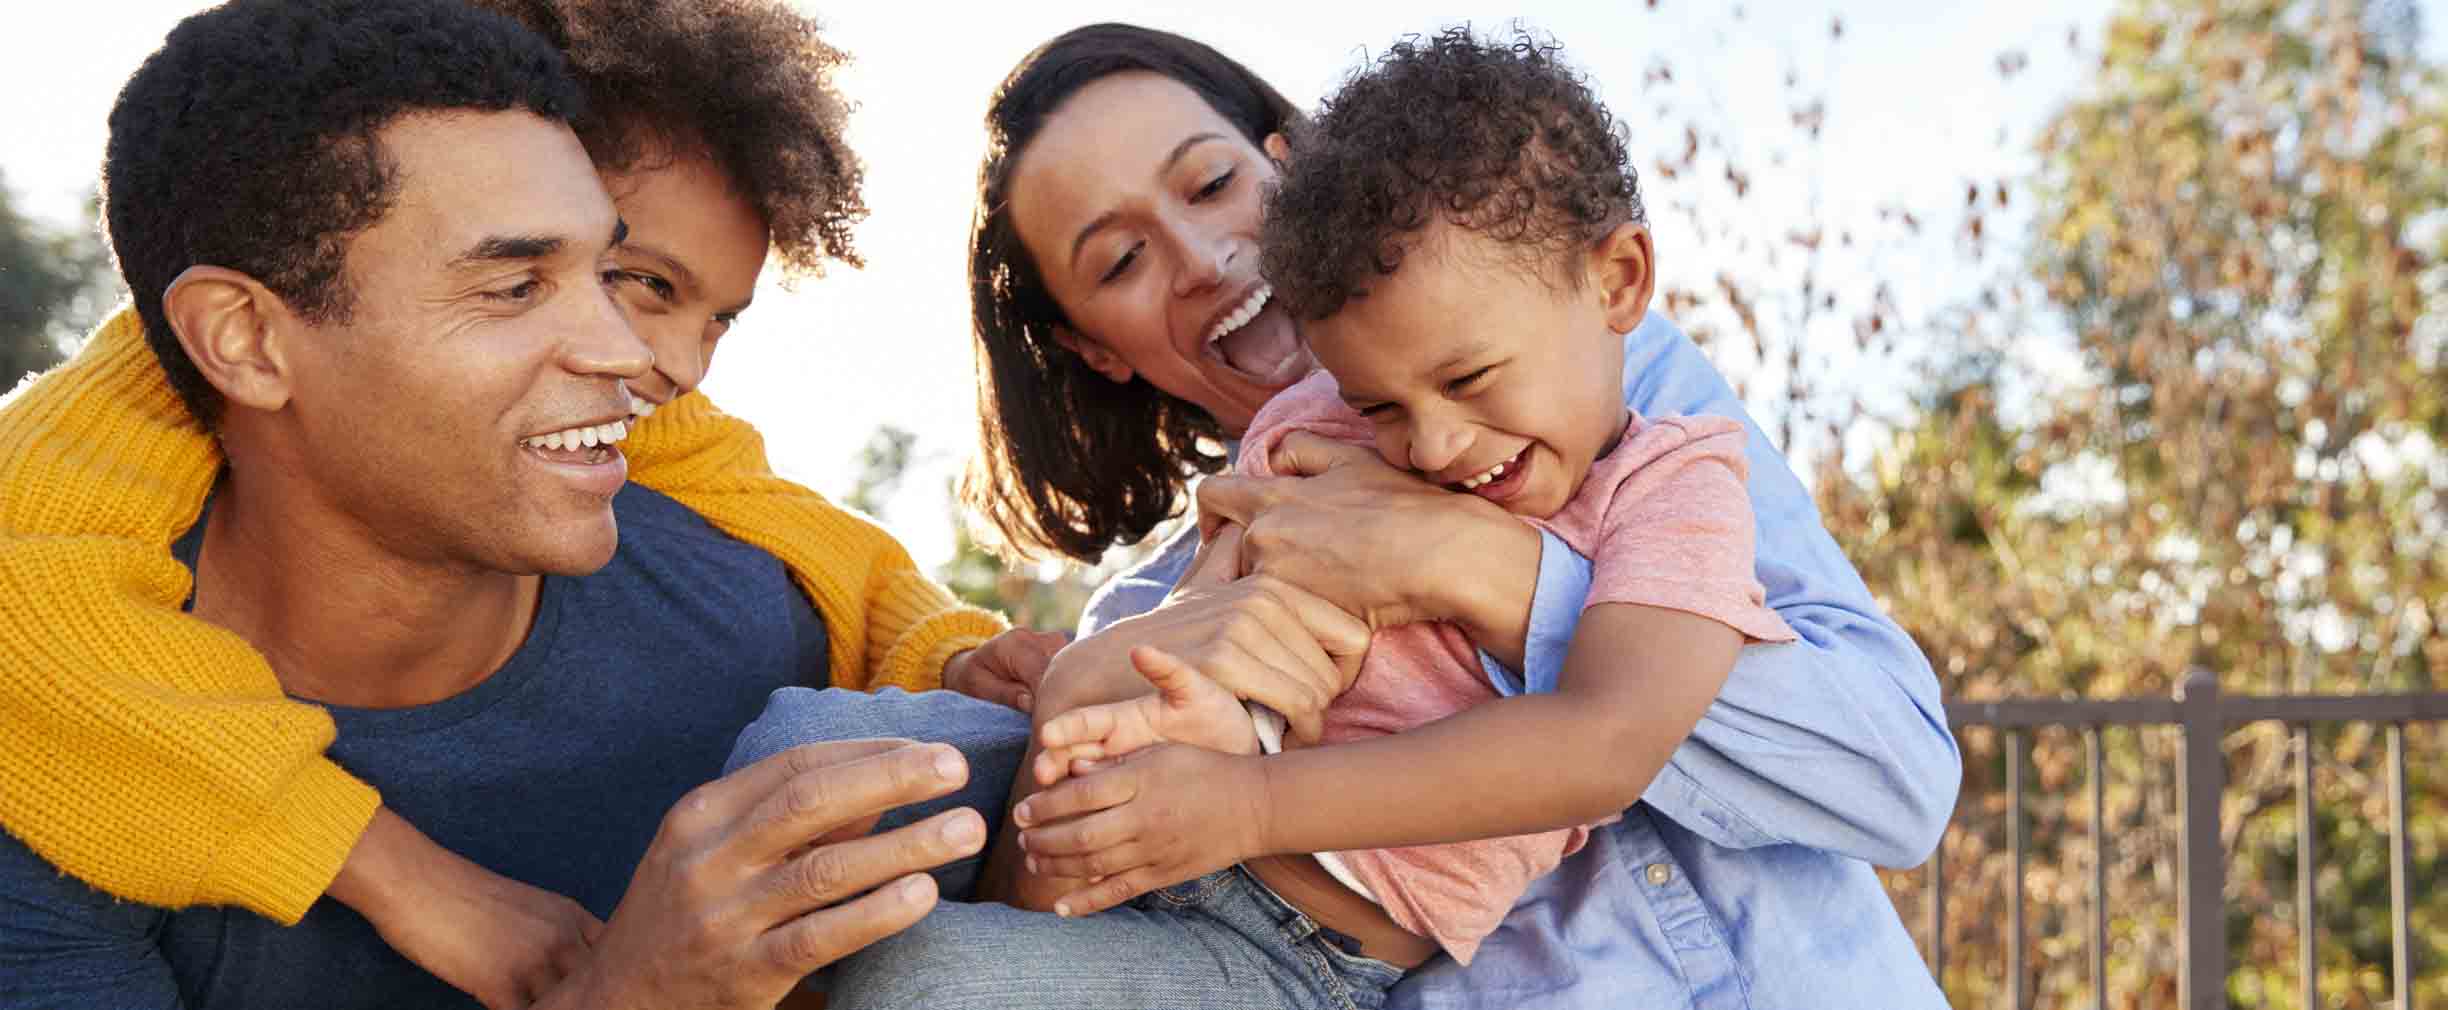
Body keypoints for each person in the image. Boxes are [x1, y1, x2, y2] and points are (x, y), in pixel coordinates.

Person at [738, 20, 1961, 1010]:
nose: (1209, 254)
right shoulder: (1232, 511)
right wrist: (1101, 704)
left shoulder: (1638, 411)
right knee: (811, 761)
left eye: (1215, 182)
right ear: (1090, 348)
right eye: (1118, 260)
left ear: (1287, 165)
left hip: (1385, 950)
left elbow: (1889, 782)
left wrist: (1483, 568)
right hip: (1201, 916)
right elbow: (1072, 885)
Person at [0, 2, 1024, 1007]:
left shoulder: (743, 614)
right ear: (245, 339)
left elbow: (803, 528)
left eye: (605, 270)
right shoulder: (53, 750)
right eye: (515, 285)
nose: (643, 359)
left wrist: (948, 652)